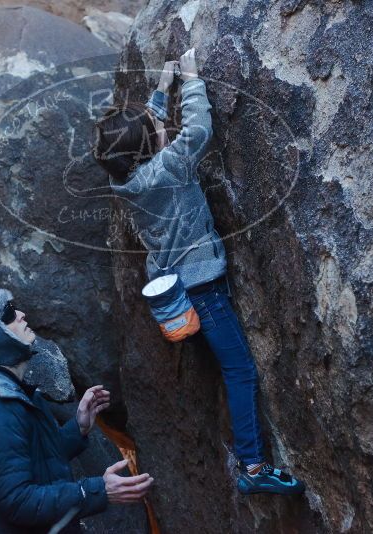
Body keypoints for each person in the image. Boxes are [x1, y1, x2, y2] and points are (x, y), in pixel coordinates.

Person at [92, 48, 305, 496]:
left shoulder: (124, 180)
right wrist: (190, 81)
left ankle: (249, 460)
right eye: (154, 128)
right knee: (240, 369)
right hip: (203, 287)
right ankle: (252, 466)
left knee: (228, 367)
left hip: (177, 292)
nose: (157, 126)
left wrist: (160, 90)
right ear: (150, 146)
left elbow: (141, 136)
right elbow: (197, 131)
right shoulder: (168, 169)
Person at [0, 281, 153, 533]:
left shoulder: (5, 392)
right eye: (8, 314)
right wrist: (96, 491)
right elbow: (18, 501)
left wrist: (76, 429)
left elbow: (25, 460)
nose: (21, 314)